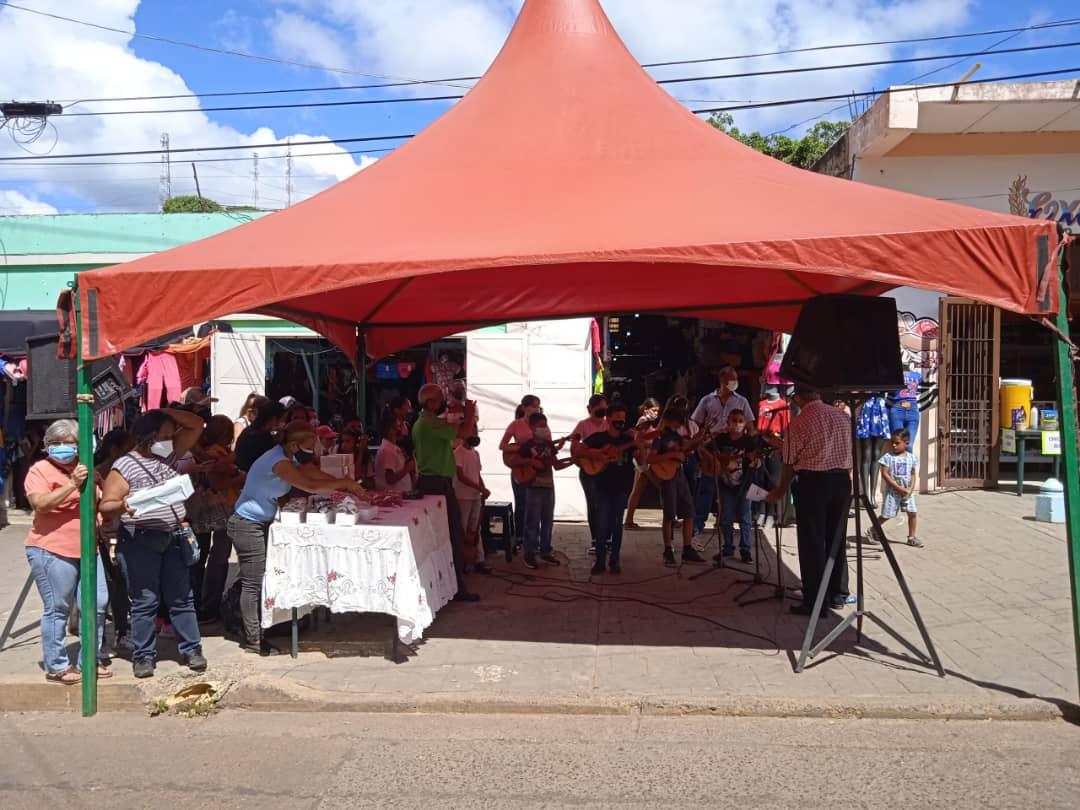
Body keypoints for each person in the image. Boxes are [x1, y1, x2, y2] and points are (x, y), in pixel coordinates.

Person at [227, 420, 367, 655]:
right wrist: (343, 483)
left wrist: (346, 486)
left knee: (260, 578)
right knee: (253, 583)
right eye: (310, 444)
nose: (314, 449)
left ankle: (261, 627)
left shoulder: (288, 458)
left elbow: (312, 473)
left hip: (260, 523)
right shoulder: (278, 462)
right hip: (246, 524)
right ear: (294, 444)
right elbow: (309, 485)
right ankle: (253, 638)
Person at [99, 408, 208, 678]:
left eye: (172, 436)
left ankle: (192, 649)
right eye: (164, 435)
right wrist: (125, 506)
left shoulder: (168, 456)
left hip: (173, 535)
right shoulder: (124, 466)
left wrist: (162, 411)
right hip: (141, 539)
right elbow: (107, 505)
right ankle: (144, 656)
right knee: (145, 600)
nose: (170, 440)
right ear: (147, 436)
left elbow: (196, 424)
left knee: (182, 597)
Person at [23, 420, 110, 685]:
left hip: (88, 549)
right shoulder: (40, 470)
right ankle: (57, 665)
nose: (61, 448)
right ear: (47, 447)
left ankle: (89, 660)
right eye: (55, 444)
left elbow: (100, 499)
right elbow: (40, 503)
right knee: (58, 608)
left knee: (97, 604)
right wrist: (72, 484)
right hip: (52, 550)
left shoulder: (89, 470)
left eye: (68, 443)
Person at [767, 385, 852, 616]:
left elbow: (788, 462)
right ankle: (837, 593)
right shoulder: (842, 416)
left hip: (813, 483)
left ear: (798, 398)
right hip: (841, 481)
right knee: (836, 537)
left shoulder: (798, 423)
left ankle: (815, 601)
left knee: (812, 542)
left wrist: (780, 490)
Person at [411, 383, 480, 601]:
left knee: (446, 534)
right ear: (430, 402)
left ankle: (449, 583)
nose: (444, 401)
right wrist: (469, 413)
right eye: (440, 398)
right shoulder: (429, 423)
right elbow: (464, 433)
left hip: (435, 482)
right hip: (435, 484)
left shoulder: (426, 421)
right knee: (452, 533)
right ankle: (456, 585)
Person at [191, 415, 245, 622]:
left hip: (213, 510)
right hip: (221, 509)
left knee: (205, 558)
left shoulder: (212, 453)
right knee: (217, 559)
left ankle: (204, 603)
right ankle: (208, 605)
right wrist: (241, 477)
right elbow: (217, 484)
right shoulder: (215, 454)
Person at [691, 366, 754, 537]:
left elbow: (749, 425)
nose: (734, 382)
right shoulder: (707, 400)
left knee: (730, 489)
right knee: (707, 487)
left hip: (733, 450)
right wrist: (700, 443)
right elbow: (695, 423)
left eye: (736, 379)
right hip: (713, 449)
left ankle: (725, 524)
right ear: (722, 381)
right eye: (731, 379)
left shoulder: (742, 401)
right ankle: (698, 523)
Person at [508, 412, 575, 569]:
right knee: (532, 522)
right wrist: (531, 460)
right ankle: (529, 554)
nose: (543, 429)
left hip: (548, 487)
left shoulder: (549, 445)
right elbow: (513, 460)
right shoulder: (527, 445)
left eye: (545, 426)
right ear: (532, 427)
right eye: (540, 426)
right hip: (533, 487)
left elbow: (556, 465)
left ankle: (545, 551)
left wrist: (573, 461)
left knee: (547, 521)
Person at [581, 404, 640, 575]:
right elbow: (579, 450)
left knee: (616, 524)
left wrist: (639, 444)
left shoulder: (627, 439)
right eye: (617, 418)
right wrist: (598, 455)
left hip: (621, 486)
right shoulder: (598, 438)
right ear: (608, 419)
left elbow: (642, 460)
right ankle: (600, 560)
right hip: (602, 486)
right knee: (601, 524)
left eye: (623, 419)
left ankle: (615, 560)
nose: (621, 422)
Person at [646, 407, 707, 566]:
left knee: (688, 511)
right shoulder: (658, 437)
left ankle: (687, 548)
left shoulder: (677, 436)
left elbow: (685, 450)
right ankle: (668, 549)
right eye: (675, 422)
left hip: (678, 473)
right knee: (669, 514)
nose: (677, 425)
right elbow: (651, 458)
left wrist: (698, 441)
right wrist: (672, 455)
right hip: (666, 477)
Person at [711, 409, 764, 563]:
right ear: (727, 421)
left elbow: (757, 460)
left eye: (741, 420)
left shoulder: (748, 441)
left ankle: (745, 550)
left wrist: (756, 462)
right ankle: (727, 548)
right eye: (734, 420)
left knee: (745, 517)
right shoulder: (720, 439)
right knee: (725, 517)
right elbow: (708, 453)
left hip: (744, 484)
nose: (737, 424)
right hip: (725, 483)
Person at [500, 395, 542, 548]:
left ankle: (534, 539)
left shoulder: (540, 424)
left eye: (538, 406)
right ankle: (519, 537)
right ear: (524, 408)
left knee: (536, 505)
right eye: (533, 406)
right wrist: (520, 447)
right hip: (520, 468)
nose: (536, 409)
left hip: (537, 467)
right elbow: (503, 445)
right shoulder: (516, 425)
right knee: (522, 503)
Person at [571, 394, 609, 554]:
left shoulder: (609, 425)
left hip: (606, 471)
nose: (602, 411)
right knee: (593, 504)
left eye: (604, 407)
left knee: (606, 505)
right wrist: (585, 459)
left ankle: (607, 539)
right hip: (588, 471)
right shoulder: (582, 425)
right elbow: (574, 446)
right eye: (599, 408)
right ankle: (595, 539)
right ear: (590, 409)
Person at [454, 434, 492, 574]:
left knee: (476, 529)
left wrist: (483, 489)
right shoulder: (458, 452)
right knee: (463, 529)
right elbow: (461, 476)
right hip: (463, 496)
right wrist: (479, 488)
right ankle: (462, 561)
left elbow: (477, 474)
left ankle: (479, 559)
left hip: (475, 496)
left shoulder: (475, 453)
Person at [876, 429, 921, 548]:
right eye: (892, 442)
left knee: (912, 513)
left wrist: (910, 489)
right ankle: (873, 530)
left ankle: (911, 537)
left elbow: (913, 473)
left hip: (907, 492)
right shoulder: (888, 457)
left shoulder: (912, 458)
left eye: (897, 443)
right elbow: (885, 474)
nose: (894, 445)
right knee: (886, 515)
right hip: (892, 492)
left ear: (906, 443)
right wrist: (898, 488)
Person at [623, 398, 660, 530]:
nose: (656, 413)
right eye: (654, 410)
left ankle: (629, 520)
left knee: (637, 490)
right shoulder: (643, 421)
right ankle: (628, 521)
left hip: (645, 458)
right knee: (658, 487)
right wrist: (652, 443)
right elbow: (638, 440)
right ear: (646, 409)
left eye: (657, 411)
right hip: (643, 460)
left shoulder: (647, 422)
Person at [235, 399, 285, 472]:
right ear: (274, 419)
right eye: (282, 419)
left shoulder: (248, 431)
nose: (283, 423)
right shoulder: (261, 438)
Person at [374, 414, 416, 492]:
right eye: (397, 427)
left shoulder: (392, 448)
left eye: (400, 426)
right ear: (389, 430)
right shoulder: (387, 450)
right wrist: (407, 468)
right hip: (393, 497)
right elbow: (390, 479)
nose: (400, 430)